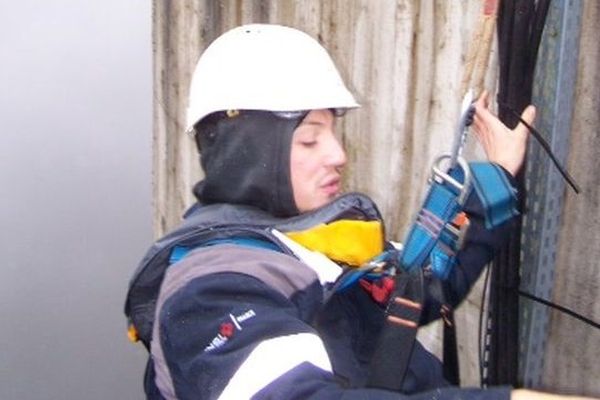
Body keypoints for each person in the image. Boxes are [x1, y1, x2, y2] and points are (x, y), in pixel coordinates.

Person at [125, 24, 588, 400]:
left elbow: (420, 296)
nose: (339, 154)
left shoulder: (310, 242)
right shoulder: (210, 293)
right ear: (247, 151)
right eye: (310, 138)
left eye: (332, 132)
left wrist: (499, 182)